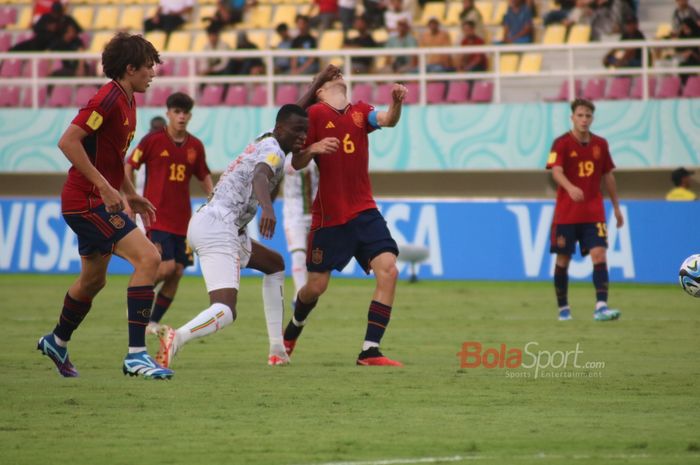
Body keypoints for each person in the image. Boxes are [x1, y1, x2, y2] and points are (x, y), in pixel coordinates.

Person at [36, 32, 173, 379]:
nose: (153, 74)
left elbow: (113, 157)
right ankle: (136, 355)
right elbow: (68, 142)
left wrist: (128, 192)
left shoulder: (128, 99)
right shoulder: (107, 99)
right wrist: (103, 187)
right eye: (148, 67)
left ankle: (57, 340)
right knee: (149, 258)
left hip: (98, 200)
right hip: (85, 202)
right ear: (130, 69)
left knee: (93, 281)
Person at [156, 104, 316, 367]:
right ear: (280, 129)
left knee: (275, 265)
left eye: (305, 131)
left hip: (217, 224)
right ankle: (177, 337)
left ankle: (277, 349)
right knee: (226, 310)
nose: (302, 136)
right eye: (297, 131)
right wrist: (267, 209)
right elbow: (260, 176)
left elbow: (293, 112)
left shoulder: (268, 138)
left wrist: (319, 82)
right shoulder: (274, 151)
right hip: (219, 227)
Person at [282, 64, 407, 366]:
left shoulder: (361, 110)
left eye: (340, 74)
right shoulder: (313, 115)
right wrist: (313, 147)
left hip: (364, 209)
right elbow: (296, 162)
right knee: (316, 288)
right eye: (331, 77)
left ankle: (370, 350)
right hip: (330, 216)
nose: (339, 77)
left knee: (389, 269)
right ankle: (294, 327)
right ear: (320, 90)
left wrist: (397, 103)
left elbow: (388, 120)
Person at [125, 92, 213, 336]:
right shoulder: (152, 140)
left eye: (185, 113)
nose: (181, 117)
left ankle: (152, 322)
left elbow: (203, 173)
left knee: (177, 273)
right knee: (165, 268)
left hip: (183, 221)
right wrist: (130, 198)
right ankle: (135, 297)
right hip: (157, 216)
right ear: (168, 114)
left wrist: (213, 197)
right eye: (177, 112)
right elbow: (129, 165)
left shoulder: (195, 146)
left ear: (190, 116)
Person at [546, 98, 623, 322]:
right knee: (563, 260)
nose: (584, 119)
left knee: (599, 254)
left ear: (592, 118)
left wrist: (616, 207)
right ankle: (563, 309)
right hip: (567, 214)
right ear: (572, 118)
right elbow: (556, 171)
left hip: (593, 212)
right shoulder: (560, 143)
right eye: (580, 115)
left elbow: (608, 175)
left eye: (588, 116)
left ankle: (601, 306)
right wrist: (570, 188)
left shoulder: (601, 144)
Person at [283, 157, 319, 299]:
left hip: (317, 213)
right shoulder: (285, 157)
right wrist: (268, 208)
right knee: (298, 255)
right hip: (293, 215)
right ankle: (299, 297)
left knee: (314, 259)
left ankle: (307, 293)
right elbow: (273, 181)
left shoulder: (317, 156)